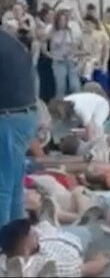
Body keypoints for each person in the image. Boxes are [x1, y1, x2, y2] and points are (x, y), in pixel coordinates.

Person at [0, 28, 34, 227]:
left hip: (7, 118)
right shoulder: (12, 42)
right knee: (14, 185)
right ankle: (16, 238)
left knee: (3, 185)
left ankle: (4, 243)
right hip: (24, 116)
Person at [47, 11, 79, 99]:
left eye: (64, 20)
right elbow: (44, 41)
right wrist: (48, 54)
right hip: (58, 60)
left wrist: (71, 51)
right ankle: (59, 105)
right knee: (61, 86)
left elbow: (74, 44)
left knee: (75, 85)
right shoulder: (52, 31)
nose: (62, 22)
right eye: (61, 20)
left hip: (70, 60)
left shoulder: (69, 31)